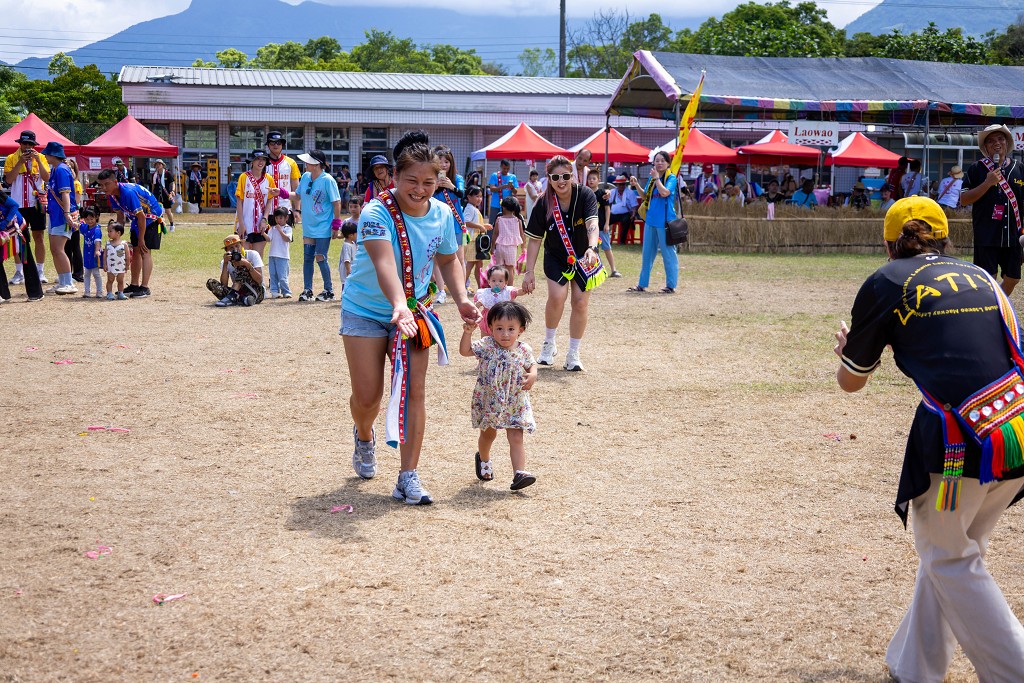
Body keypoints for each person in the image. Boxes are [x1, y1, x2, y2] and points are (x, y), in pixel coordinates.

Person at [834, 196, 1024, 683]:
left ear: (888, 242)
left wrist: (846, 350)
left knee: (949, 556)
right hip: (1017, 433)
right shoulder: (985, 277)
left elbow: (851, 380)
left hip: (960, 445)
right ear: (946, 239)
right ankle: (913, 666)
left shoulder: (886, 281)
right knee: (956, 548)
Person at [340, 130, 480, 504]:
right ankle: (364, 433)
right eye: (411, 181)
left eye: (428, 182)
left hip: (416, 312)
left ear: (440, 180)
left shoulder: (443, 213)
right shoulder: (375, 212)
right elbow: (384, 261)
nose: (419, 189)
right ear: (395, 178)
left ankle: (407, 476)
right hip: (367, 310)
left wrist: (462, 297)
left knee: (415, 391)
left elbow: (449, 260)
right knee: (368, 397)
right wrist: (397, 304)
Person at [523, 154, 602, 371]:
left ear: (573, 175)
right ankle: (549, 343)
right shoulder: (543, 202)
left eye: (566, 176)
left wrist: (592, 247)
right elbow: (535, 240)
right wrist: (528, 271)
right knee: (557, 297)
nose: (561, 181)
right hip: (556, 256)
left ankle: (573, 354)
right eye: (555, 177)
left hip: (585, 256)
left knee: (580, 302)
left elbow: (592, 223)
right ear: (548, 179)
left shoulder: (585, 195)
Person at [459, 300, 537, 491]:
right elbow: (465, 351)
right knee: (488, 435)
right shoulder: (487, 345)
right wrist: (467, 333)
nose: (505, 334)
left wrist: (533, 375)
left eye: (511, 329)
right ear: (490, 327)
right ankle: (484, 459)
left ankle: (519, 474)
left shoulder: (524, 349)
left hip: (515, 400)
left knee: (516, 435)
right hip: (491, 399)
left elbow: (531, 365)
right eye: (499, 328)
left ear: (521, 329)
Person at [960, 123, 1024, 296]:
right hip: (986, 234)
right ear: (985, 147)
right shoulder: (976, 169)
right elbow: (964, 199)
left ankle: (995, 306)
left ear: (1007, 143)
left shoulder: (1019, 168)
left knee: (1013, 278)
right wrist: (987, 183)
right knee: (987, 279)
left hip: (1014, 236)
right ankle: (991, 312)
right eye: (991, 141)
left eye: (1000, 139)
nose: (996, 143)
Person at [97, 169, 165, 299]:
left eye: (106, 184)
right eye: (101, 185)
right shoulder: (112, 195)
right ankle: (134, 285)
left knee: (144, 250)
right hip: (138, 219)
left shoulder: (127, 193)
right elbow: (120, 217)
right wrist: (117, 237)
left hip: (151, 217)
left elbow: (142, 217)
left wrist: (141, 239)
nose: (103, 188)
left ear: (115, 182)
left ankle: (145, 288)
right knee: (135, 250)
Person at [292, 149, 342, 302]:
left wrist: (336, 225)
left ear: (317, 165)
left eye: (309, 162)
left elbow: (336, 203)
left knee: (320, 257)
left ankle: (329, 290)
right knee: (307, 258)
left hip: (323, 226)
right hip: (309, 226)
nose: (305, 164)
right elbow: (298, 195)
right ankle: (308, 290)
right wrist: (279, 193)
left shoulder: (328, 180)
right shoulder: (306, 177)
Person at [628, 150, 679, 294]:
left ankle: (670, 285)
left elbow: (664, 193)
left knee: (668, 253)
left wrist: (657, 179)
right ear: (654, 163)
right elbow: (645, 196)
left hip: (665, 222)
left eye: (663, 160)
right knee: (647, 254)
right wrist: (637, 185)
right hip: (650, 220)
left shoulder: (671, 178)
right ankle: (642, 284)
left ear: (668, 163)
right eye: (657, 160)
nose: (660, 163)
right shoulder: (651, 179)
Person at [4, 130, 50, 285]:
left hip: (35, 204)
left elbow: (46, 178)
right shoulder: (11, 158)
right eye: (25, 144)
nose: (27, 147)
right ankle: (19, 272)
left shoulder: (41, 157)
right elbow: (8, 181)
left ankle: (40, 271)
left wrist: (38, 160)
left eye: (31, 144)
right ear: (20, 144)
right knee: (18, 238)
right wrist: (20, 163)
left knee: (39, 237)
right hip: (18, 205)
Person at [234, 148, 279, 280]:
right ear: (252, 162)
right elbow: (239, 201)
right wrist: (241, 223)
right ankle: (244, 284)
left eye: (263, 159)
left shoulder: (269, 179)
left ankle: (259, 285)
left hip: (261, 225)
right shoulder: (244, 177)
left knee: (258, 258)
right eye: (258, 159)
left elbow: (270, 201)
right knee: (244, 256)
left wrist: (265, 219)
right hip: (246, 224)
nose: (260, 162)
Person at [42, 142, 78, 295]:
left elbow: (65, 193)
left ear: (53, 154)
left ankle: (69, 283)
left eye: (47, 154)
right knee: (54, 250)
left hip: (62, 215)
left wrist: (67, 213)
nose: (45, 156)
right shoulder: (56, 169)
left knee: (58, 249)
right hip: (56, 214)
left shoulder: (62, 170)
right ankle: (62, 281)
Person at [432, 145, 467, 302]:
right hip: (436, 224)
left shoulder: (457, 179)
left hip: (456, 223)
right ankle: (441, 291)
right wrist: (435, 186)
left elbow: (463, 195)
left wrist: (450, 186)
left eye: (447, 161)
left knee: (459, 258)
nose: (444, 165)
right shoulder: (432, 179)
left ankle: (461, 290)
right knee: (436, 259)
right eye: (440, 161)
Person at [0, 189, 43, 302]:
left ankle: (36, 293)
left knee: (26, 258)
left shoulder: (0, 195)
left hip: (16, 227)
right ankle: (3, 295)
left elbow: (14, 205)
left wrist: (5, 222)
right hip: (2, 231)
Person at [207, 234, 264, 307]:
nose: (235, 250)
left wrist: (247, 265)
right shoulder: (225, 262)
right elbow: (224, 285)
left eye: (237, 246)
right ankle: (243, 299)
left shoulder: (253, 254)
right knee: (211, 283)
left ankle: (232, 297)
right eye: (231, 248)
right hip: (239, 291)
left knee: (242, 267)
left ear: (242, 245)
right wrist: (225, 264)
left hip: (256, 291)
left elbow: (260, 280)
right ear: (227, 250)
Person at [587, 172, 621, 277]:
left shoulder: (602, 193)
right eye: (589, 179)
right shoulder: (586, 194)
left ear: (598, 180)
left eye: (594, 178)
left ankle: (613, 269)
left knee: (607, 248)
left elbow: (607, 209)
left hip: (601, 226)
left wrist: (607, 223)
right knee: (591, 249)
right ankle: (593, 270)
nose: (591, 180)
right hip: (589, 228)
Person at [474, 263, 521, 336]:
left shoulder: (507, 291)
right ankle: (485, 347)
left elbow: (518, 292)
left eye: (500, 281)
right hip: (487, 319)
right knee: (485, 338)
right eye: (493, 280)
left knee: (502, 337)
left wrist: (526, 289)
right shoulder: (484, 293)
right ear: (489, 281)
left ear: (506, 282)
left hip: (503, 317)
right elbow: (478, 303)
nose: (497, 283)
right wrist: (475, 309)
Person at [265, 131, 300, 222]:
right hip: (265, 211)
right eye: (272, 142)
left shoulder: (291, 163)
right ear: (268, 145)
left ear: (282, 144)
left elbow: (296, 188)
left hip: (285, 211)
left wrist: (297, 209)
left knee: (286, 236)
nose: (275, 145)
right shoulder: (262, 163)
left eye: (278, 142)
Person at [492, 196, 525, 287]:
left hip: (499, 247)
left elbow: (495, 234)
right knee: (510, 269)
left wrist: (492, 247)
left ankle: (499, 287)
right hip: (511, 248)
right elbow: (522, 235)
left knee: (499, 268)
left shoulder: (499, 219)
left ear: (503, 207)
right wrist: (523, 248)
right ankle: (510, 288)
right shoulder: (518, 220)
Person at [463, 186, 487, 291]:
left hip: (477, 242)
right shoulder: (469, 208)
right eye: (477, 196)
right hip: (472, 241)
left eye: (481, 196)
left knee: (479, 265)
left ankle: (480, 287)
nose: (479, 199)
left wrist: (484, 226)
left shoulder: (474, 208)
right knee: (470, 264)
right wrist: (480, 226)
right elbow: (466, 221)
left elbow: (475, 223)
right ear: (469, 197)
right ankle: (461, 286)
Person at [266, 206, 293, 299]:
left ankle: (286, 291)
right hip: (272, 254)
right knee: (273, 274)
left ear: (286, 218)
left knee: (282, 275)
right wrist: (263, 233)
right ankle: (274, 291)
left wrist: (280, 230)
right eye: (276, 218)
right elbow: (269, 239)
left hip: (283, 256)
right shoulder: (272, 229)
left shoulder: (288, 228)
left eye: (281, 218)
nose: (278, 220)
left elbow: (287, 239)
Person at [64, 157, 84, 282]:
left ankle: (78, 273)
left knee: (75, 245)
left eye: (71, 168)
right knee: (66, 246)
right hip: (67, 216)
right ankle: (67, 271)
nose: (69, 170)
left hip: (74, 215)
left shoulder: (76, 184)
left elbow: (76, 203)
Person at [79, 207, 104, 298]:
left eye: (91, 219)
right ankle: (87, 291)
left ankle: (99, 291)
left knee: (96, 273)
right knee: (86, 273)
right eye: (87, 219)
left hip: (94, 255)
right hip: (87, 254)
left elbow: (98, 241)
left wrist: (97, 250)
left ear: (96, 217)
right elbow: (78, 226)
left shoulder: (97, 230)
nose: (89, 221)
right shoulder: (85, 227)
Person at [609, 174, 639, 245]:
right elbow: (608, 203)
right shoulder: (612, 192)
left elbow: (634, 205)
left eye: (623, 184)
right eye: (619, 184)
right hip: (613, 214)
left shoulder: (630, 192)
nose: (621, 186)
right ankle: (603, 239)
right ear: (616, 185)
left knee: (626, 222)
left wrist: (633, 214)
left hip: (625, 214)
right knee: (603, 221)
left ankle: (622, 241)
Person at [103, 222, 129, 300]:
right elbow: (105, 255)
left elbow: (127, 256)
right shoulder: (108, 244)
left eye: (110, 231)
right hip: (111, 266)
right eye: (108, 231)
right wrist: (104, 264)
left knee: (120, 280)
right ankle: (109, 293)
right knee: (110, 280)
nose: (109, 233)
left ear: (118, 233)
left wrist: (127, 265)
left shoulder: (124, 244)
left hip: (121, 266)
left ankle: (120, 293)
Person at [487, 159, 518, 224]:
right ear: (501, 166)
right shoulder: (495, 175)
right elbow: (492, 189)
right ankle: (490, 234)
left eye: (508, 169)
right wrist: (503, 187)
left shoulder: (513, 177)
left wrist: (512, 187)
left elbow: (515, 192)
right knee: (493, 223)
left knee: (506, 223)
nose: (506, 170)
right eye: (504, 168)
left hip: (508, 205)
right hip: (496, 204)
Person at [150, 159, 176, 231]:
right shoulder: (154, 175)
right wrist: (152, 194)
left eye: (159, 164)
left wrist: (172, 191)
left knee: (168, 211)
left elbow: (172, 183)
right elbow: (153, 185)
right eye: (156, 165)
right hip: (157, 195)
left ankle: (172, 225)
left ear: (162, 165)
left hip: (166, 195)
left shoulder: (167, 174)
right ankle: (161, 226)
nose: (158, 166)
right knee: (158, 211)